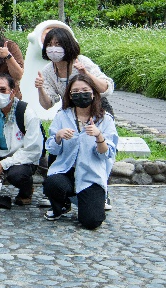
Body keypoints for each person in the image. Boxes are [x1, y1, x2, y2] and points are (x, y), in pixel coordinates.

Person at [43, 74, 118, 229]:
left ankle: (88, 199)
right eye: (75, 91)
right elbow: (51, 148)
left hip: (90, 174)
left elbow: (106, 154)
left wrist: (99, 136)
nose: (80, 94)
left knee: (92, 221)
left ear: (93, 93)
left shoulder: (105, 119)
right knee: (52, 183)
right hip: (66, 170)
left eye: (85, 90)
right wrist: (58, 136)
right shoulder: (62, 116)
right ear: (70, 95)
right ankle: (61, 205)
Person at [0, 74, 42, 206]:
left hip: (21, 158)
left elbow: (33, 151)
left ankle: (26, 190)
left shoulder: (27, 113)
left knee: (17, 175)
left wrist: (2, 165)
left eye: (3, 90)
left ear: (12, 92)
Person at [34, 28, 114, 113]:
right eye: (49, 45)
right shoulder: (47, 71)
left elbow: (106, 88)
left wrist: (86, 73)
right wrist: (40, 88)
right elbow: (47, 105)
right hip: (70, 111)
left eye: (58, 44)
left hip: (97, 108)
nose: (53, 49)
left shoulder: (82, 61)